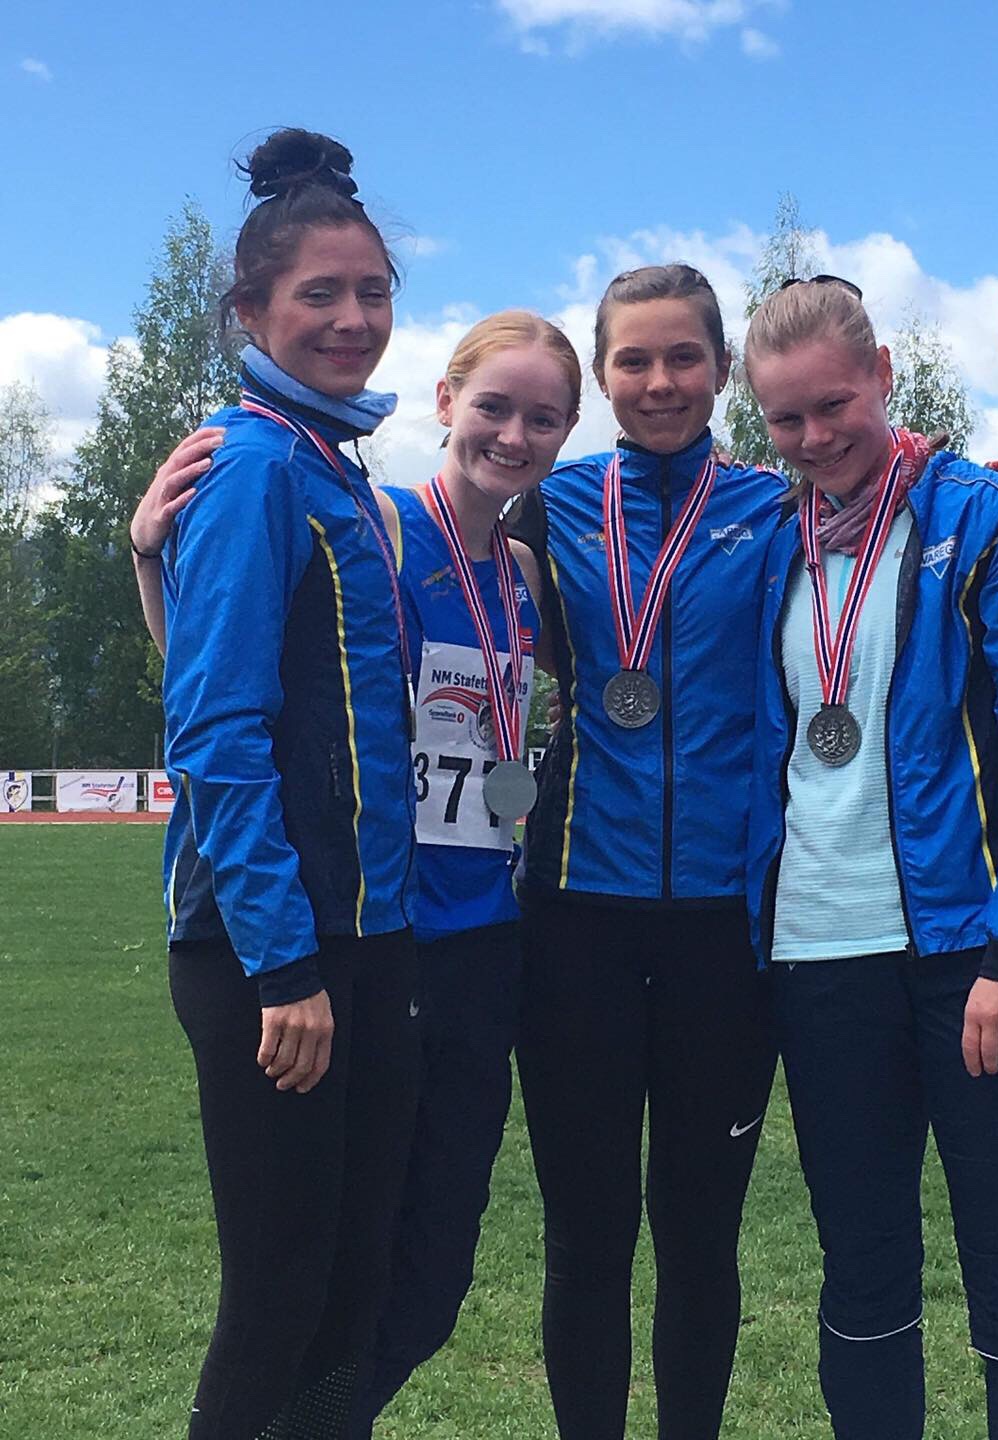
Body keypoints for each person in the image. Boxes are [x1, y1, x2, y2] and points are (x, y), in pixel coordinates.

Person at [135, 311, 583, 1434]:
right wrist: (151, 555)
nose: (514, 435)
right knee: (327, 1278)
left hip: (483, 938)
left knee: (423, 1284)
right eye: (493, 407)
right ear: (444, 402)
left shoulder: (527, 573)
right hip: (381, 940)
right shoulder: (372, 523)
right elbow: (216, 666)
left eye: (543, 418)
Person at [741, 277, 998, 1440]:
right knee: (863, 1280)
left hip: (975, 959)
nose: (813, 438)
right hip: (820, 957)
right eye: (785, 419)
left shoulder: (988, 516)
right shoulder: (766, 541)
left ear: (883, 375)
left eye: (833, 404)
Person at [135, 128, 421, 1438]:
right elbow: (216, 730)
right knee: (281, 1295)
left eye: (373, 291)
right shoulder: (253, 463)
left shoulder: (333, 469)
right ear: (249, 311)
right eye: (320, 293)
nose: (353, 318)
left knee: (351, 1292)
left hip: (362, 937)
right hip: (274, 954)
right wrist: (284, 965)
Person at [505, 263, 786, 1440]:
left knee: (700, 1236)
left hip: (728, 929)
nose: (660, 381)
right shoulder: (544, 508)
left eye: (683, 357)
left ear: (724, 369)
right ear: (601, 377)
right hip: (574, 922)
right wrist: (153, 552)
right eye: (634, 359)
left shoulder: (779, 509)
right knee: (585, 1237)